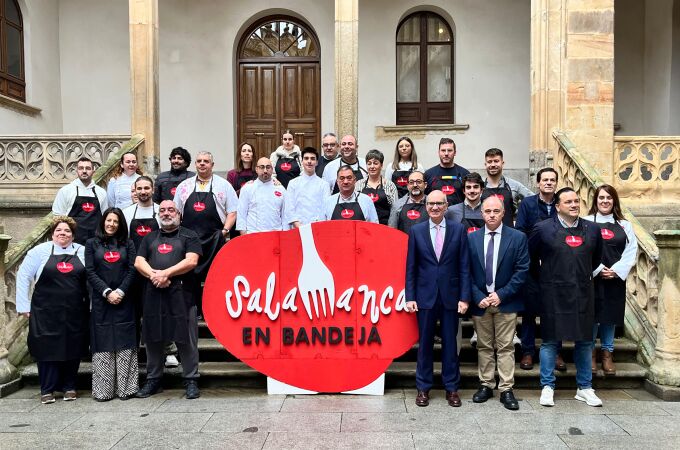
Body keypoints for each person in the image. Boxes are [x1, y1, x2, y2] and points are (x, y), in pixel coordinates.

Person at [530, 187, 604, 407]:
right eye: (568, 202)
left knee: (585, 341)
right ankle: (547, 386)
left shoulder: (592, 229)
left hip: (583, 293)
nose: (574, 205)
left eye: (576, 201)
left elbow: (596, 258)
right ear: (557, 206)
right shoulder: (542, 229)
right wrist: (544, 281)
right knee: (550, 341)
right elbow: (531, 259)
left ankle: (584, 387)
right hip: (552, 293)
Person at [404, 190, 471, 408]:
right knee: (424, 345)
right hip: (425, 297)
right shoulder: (417, 231)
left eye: (439, 204)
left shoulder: (459, 230)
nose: (434, 207)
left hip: (451, 297)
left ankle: (451, 388)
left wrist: (464, 297)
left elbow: (464, 266)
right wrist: (410, 296)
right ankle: (423, 388)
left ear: (445, 206)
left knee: (451, 345)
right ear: (425, 206)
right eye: (430, 203)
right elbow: (411, 267)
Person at [16, 217, 88, 404]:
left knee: (72, 348)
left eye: (67, 231)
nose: (63, 234)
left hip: (74, 311)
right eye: (59, 231)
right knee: (46, 349)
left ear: (73, 235)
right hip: (45, 311)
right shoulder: (38, 252)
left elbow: (90, 280)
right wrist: (23, 306)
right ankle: (47, 389)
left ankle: (69, 387)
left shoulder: (82, 251)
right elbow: (23, 276)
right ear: (52, 233)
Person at [134, 200, 202, 399]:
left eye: (170, 210)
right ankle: (154, 380)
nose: (166, 213)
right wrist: (155, 276)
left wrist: (166, 274)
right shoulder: (149, 238)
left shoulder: (190, 235)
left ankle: (191, 379)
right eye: (162, 210)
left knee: (186, 340)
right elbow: (139, 261)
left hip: (182, 295)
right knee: (153, 339)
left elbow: (191, 260)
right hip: (154, 294)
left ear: (179, 213)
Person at [467, 197, 529, 410]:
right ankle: (486, 385)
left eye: (496, 211)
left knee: (505, 346)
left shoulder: (518, 237)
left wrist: (501, 294)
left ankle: (506, 389)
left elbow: (522, 271)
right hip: (481, 303)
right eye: (487, 211)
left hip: (506, 302)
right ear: (481, 214)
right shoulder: (471, 238)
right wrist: (477, 296)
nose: (491, 214)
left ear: (504, 213)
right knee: (484, 346)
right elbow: (465, 272)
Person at [174, 151, 238, 314]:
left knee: (215, 277)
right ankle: (193, 311)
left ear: (212, 165)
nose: (202, 164)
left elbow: (233, 212)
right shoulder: (184, 186)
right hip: (188, 240)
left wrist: (224, 231)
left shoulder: (224, 185)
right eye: (199, 161)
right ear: (195, 164)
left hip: (214, 239)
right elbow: (176, 212)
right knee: (190, 276)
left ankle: (213, 311)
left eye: (206, 161)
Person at [85, 208, 138, 401]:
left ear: (120, 224)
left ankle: (127, 389)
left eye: (116, 221)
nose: (111, 224)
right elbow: (90, 271)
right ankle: (103, 391)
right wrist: (107, 292)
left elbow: (132, 270)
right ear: (103, 222)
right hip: (102, 300)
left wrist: (121, 291)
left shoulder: (128, 243)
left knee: (125, 342)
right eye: (109, 220)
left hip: (124, 299)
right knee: (103, 342)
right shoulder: (91, 244)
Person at [583, 184, 637, 375]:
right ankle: (589, 353)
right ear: (595, 201)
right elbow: (582, 250)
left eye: (608, 198)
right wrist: (598, 268)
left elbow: (631, 252)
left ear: (614, 201)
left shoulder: (625, 225)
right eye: (601, 198)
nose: (605, 201)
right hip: (592, 278)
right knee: (592, 316)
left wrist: (615, 270)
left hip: (615, 279)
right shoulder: (586, 222)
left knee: (610, 317)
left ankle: (607, 354)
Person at [515, 168, 561, 371]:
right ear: (538, 183)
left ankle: (556, 352)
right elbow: (521, 232)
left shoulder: (562, 204)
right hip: (532, 265)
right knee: (529, 311)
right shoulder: (528, 204)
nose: (549, 183)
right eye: (545, 180)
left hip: (556, 265)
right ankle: (527, 352)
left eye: (552, 180)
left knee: (553, 312)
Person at [52, 157, 108, 245]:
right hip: (72, 242)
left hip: (96, 242)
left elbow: (105, 217)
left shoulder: (101, 192)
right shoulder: (66, 190)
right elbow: (58, 216)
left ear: (93, 171)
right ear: (77, 170)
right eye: (81, 168)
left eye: (88, 168)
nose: (84, 171)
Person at [481, 148, 533, 227]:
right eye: (489, 162)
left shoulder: (515, 185)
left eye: (496, 161)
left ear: (502, 163)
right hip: (485, 234)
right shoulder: (479, 187)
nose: (493, 165)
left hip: (509, 234)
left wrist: (519, 218)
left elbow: (534, 200)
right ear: (485, 165)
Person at [236, 157, 287, 234]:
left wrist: (285, 234)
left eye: (268, 167)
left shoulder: (281, 189)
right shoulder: (247, 188)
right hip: (253, 234)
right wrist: (244, 235)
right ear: (256, 169)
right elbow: (241, 215)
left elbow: (285, 216)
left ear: (272, 169)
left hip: (276, 235)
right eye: (262, 167)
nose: (265, 170)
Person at [285, 146, 331, 228]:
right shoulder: (293, 183)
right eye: (306, 158)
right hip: (297, 229)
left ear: (317, 162)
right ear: (302, 161)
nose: (309, 161)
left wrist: (317, 226)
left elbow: (326, 208)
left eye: (312, 159)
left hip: (318, 228)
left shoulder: (324, 185)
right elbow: (289, 208)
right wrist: (299, 226)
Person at [355, 149, 399, 225]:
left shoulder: (390, 185)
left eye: (375, 163)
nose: (372, 166)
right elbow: (355, 207)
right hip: (364, 227)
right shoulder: (359, 184)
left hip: (384, 227)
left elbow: (395, 211)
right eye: (369, 163)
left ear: (381, 165)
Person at [424, 138, 469, 206]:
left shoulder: (465, 174)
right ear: (438, 152)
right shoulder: (428, 174)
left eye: (450, 150)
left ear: (455, 153)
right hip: (436, 214)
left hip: (458, 215)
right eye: (443, 150)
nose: (446, 153)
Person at [123, 176, 160, 250]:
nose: (143, 192)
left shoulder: (161, 211)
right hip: (134, 257)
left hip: (156, 257)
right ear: (135, 190)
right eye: (139, 188)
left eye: (146, 188)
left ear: (153, 190)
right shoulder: (126, 212)